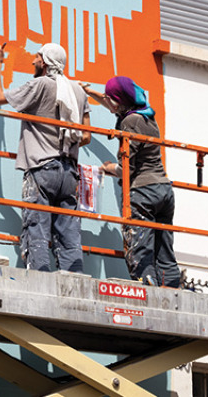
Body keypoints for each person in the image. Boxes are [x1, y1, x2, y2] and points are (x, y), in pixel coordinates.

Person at [0, 42, 91, 273]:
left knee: (37, 229)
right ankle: (72, 278)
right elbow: (86, 136)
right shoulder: (77, 90)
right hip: (69, 173)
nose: (33, 61)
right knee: (68, 232)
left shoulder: (40, 85)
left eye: (36, 57)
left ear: (44, 62)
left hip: (42, 169)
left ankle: (40, 278)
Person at [82, 76, 180, 287]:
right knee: (164, 250)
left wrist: (107, 168)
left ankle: (149, 292)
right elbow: (112, 101)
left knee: (141, 251)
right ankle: (172, 289)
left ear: (118, 101)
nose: (107, 102)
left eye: (109, 99)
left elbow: (127, 168)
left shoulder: (129, 122)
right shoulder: (146, 114)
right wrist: (89, 91)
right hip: (163, 189)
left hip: (143, 192)